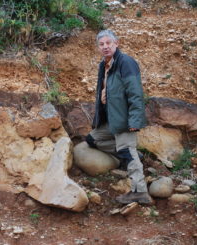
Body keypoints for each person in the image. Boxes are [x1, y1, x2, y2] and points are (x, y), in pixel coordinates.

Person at [86, 30, 152, 204]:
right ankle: (132, 154)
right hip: (111, 118)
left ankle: (140, 191)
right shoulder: (104, 65)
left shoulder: (126, 63)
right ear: (98, 47)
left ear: (117, 43)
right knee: (92, 139)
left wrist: (135, 121)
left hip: (124, 119)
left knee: (126, 151)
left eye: (109, 43)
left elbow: (135, 94)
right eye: (102, 44)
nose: (105, 47)